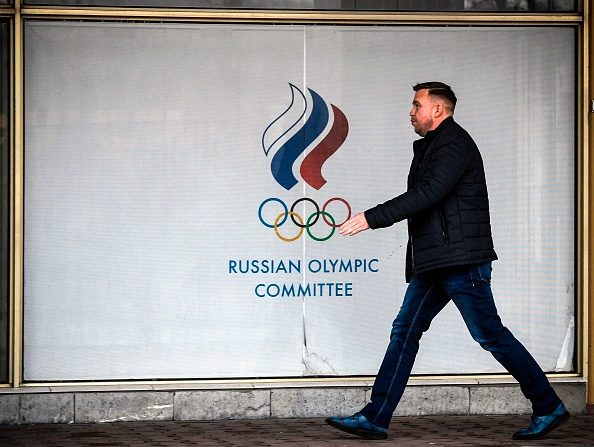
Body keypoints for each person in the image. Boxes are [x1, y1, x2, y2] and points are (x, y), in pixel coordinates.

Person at [325, 82, 569, 441]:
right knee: (405, 331)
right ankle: (376, 417)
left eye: (416, 104)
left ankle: (548, 405)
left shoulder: (453, 143)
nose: (411, 111)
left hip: (461, 261)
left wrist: (370, 218)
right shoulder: (433, 146)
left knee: (490, 334)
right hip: (438, 262)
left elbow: (427, 195)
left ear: (437, 110)